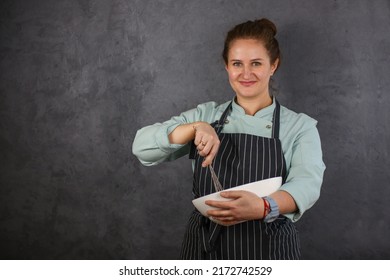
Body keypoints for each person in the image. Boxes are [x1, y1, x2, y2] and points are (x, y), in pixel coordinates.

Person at [132, 18, 325, 260]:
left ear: (273, 65)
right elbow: (141, 147)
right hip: (204, 247)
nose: (246, 74)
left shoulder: (299, 126)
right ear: (226, 66)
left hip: (270, 249)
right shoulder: (206, 115)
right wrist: (196, 127)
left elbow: (306, 186)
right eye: (237, 63)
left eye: (256, 63)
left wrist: (263, 206)